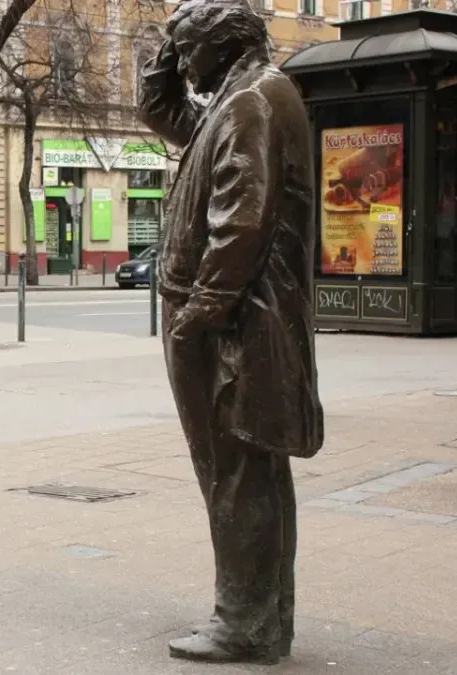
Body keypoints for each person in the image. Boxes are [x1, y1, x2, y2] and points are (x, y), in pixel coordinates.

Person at [137, 0, 323, 664]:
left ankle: (244, 620)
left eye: (190, 49)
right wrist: (169, 46)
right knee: (245, 470)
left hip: (234, 324)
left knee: (237, 471)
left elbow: (243, 221)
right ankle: (259, 615)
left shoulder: (253, 102)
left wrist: (199, 314)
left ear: (224, 43)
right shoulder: (239, 97)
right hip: (231, 317)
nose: (184, 64)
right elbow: (168, 114)